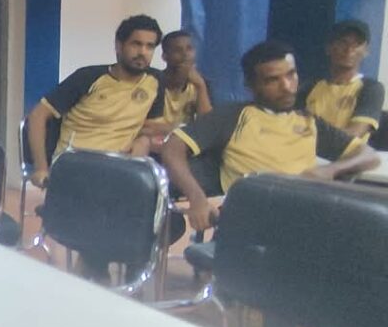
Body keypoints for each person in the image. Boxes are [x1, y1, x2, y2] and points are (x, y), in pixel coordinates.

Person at [162, 39, 379, 233]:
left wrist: (330, 170)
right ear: (251, 85)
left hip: (306, 216)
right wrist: (197, 198)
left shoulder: (309, 121)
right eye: (273, 80)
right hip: (251, 217)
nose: (287, 87)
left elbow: (368, 155)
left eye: (291, 75)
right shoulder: (234, 116)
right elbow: (172, 147)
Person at [26, 14, 167, 187]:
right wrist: (41, 168)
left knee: (155, 190)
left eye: (150, 46)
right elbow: (38, 115)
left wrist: (143, 141)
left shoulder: (156, 81)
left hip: (122, 168)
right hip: (76, 164)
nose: (142, 52)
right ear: (119, 45)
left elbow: (151, 128)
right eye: (136, 44)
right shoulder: (88, 77)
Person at [298, 19, 384, 140]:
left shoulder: (371, 89)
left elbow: (354, 133)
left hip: (348, 152)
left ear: (366, 51)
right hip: (306, 150)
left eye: (357, 44)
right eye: (343, 42)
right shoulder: (309, 87)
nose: (349, 49)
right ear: (329, 48)